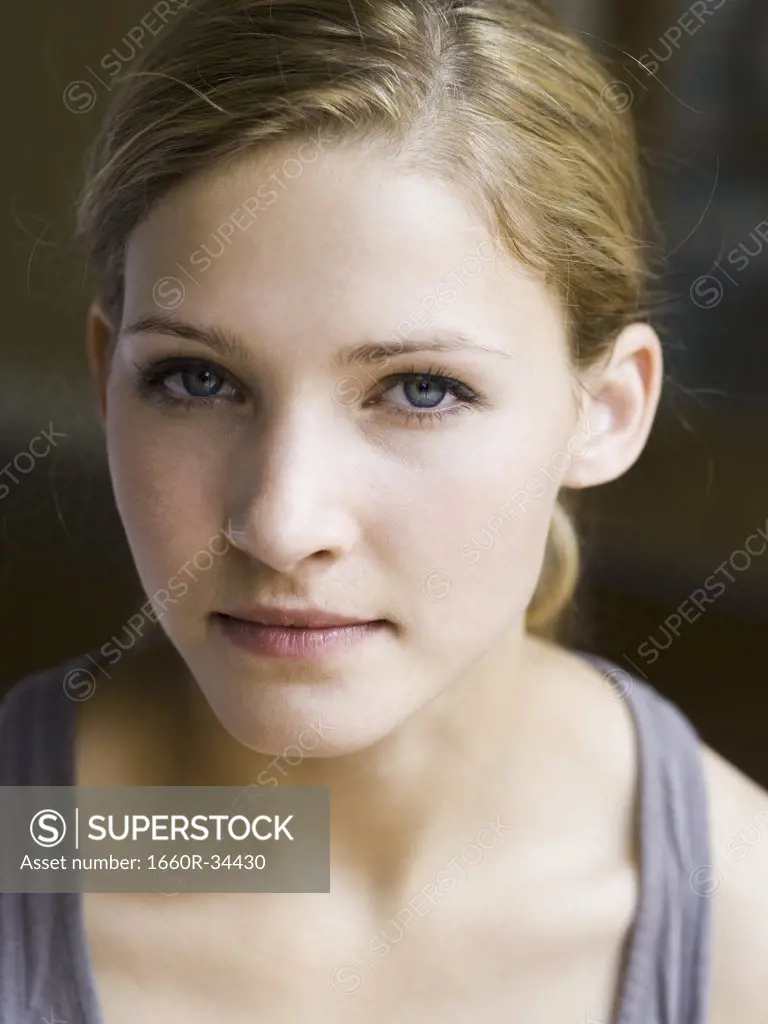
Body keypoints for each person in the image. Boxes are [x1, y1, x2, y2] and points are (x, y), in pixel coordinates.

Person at [1, 0, 767, 1021]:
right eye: (195, 379)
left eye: (420, 389)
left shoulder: (741, 928)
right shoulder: (31, 840)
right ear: (106, 381)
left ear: (606, 410)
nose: (280, 521)